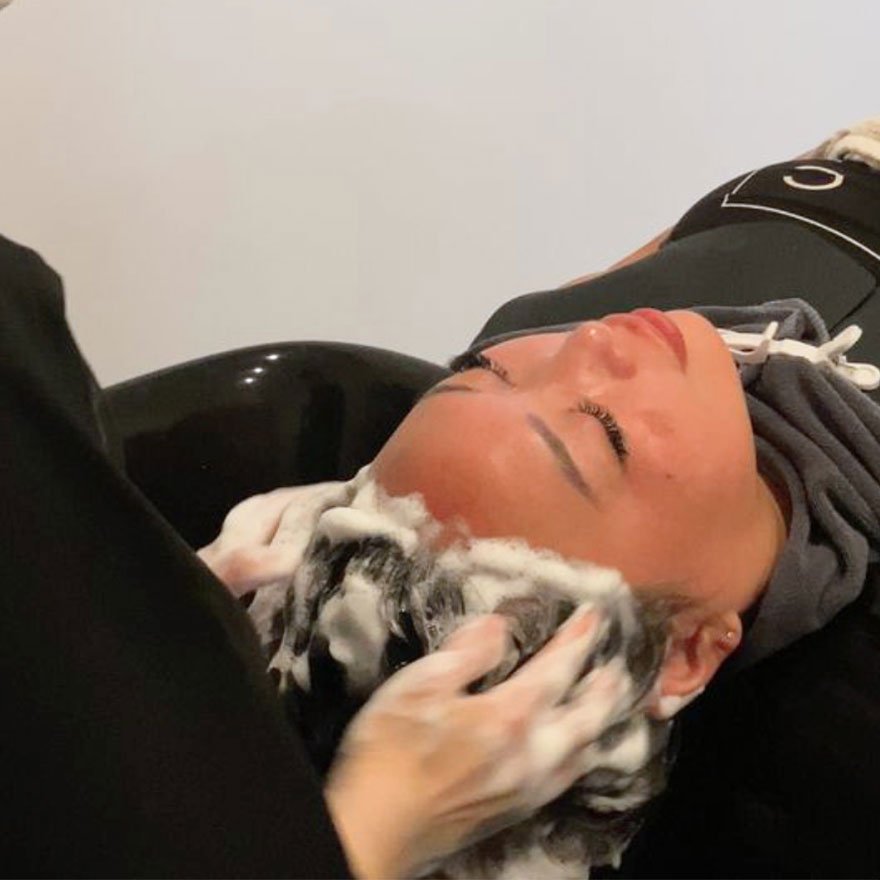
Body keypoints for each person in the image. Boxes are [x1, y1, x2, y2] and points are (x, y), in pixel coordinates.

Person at [204, 117, 880, 877]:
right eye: (602, 433)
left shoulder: (543, 333)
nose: (591, 342)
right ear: (689, 652)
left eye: (486, 374)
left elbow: (721, 223)